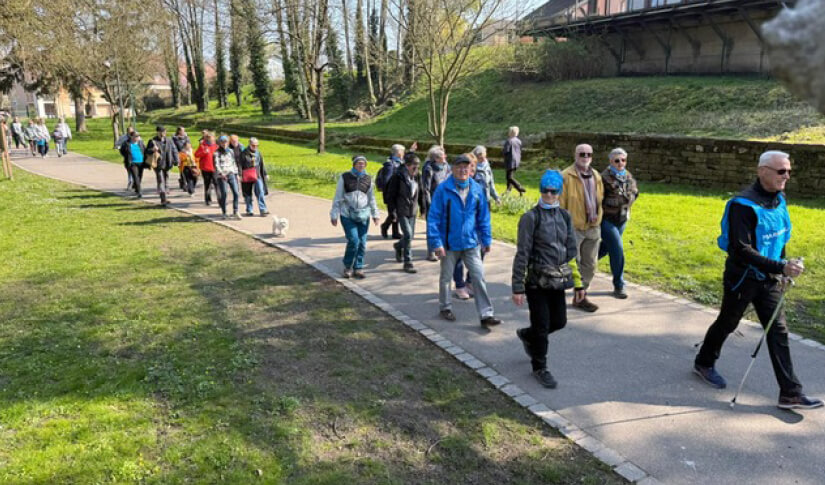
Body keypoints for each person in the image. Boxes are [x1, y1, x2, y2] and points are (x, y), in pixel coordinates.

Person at [694, 150, 823, 410]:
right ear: (762, 171)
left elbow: (779, 238)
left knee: (778, 332)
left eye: (788, 171)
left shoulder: (778, 199)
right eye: (780, 171)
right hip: (743, 278)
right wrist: (781, 267)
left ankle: (790, 393)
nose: (786, 176)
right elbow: (741, 248)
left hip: (770, 279)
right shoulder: (743, 205)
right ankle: (704, 362)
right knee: (728, 322)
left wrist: (783, 267)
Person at [512, 170, 577, 388]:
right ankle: (540, 366)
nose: (549, 195)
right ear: (540, 190)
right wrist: (518, 286)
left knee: (559, 321)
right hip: (536, 281)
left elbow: (572, 249)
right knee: (541, 325)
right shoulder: (530, 218)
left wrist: (579, 282)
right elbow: (522, 253)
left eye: (553, 191)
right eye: (545, 191)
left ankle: (528, 335)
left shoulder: (565, 216)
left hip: (557, 279)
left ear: (559, 192)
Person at [427, 153, 501, 327]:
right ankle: (445, 307)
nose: (463, 170)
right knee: (446, 278)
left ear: (470, 169)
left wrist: (486, 239)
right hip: (449, 244)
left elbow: (483, 217)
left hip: (471, 243)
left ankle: (486, 315)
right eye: (459, 167)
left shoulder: (476, 189)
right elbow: (433, 218)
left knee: (478, 276)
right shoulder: (443, 189)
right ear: (452, 169)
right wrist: (436, 243)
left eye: (466, 167)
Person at [560, 144, 603, 313]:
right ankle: (580, 296)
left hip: (593, 226)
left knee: (591, 264)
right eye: (581, 154)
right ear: (575, 154)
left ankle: (581, 291)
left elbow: (600, 198)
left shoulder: (596, 175)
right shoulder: (566, 176)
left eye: (588, 154)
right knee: (574, 264)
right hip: (574, 228)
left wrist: (598, 219)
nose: (585, 157)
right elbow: (561, 204)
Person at [598, 148, 639, 299]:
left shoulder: (628, 175)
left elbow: (635, 191)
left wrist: (631, 200)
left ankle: (583, 267)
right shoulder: (603, 177)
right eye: (617, 160)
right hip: (607, 220)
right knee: (617, 248)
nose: (620, 163)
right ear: (610, 162)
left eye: (623, 160)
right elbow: (597, 198)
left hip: (622, 219)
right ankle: (619, 285)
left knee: (607, 247)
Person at [330, 155, 380, 278]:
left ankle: (358, 267)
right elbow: (338, 196)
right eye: (359, 163)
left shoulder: (368, 179)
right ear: (354, 164)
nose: (361, 165)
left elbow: (371, 198)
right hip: (347, 214)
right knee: (354, 240)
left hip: (363, 215)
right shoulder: (345, 177)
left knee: (362, 242)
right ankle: (348, 266)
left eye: (363, 163)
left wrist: (375, 214)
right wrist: (334, 214)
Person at [386, 152, 423, 274]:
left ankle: (398, 246)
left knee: (410, 236)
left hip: (412, 211)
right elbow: (390, 196)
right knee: (407, 234)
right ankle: (408, 262)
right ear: (407, 165)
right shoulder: (398, 177)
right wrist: (393, 212)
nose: (416, 168)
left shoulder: (417, 176)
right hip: (401, 210)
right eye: (414, 165)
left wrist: (423, 208)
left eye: (418, 165)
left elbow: (421, 192)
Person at [421, 145, 450, 261]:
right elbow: (425, 189)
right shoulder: (429, 169)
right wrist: (429, 204)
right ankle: (431, 252)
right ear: (436, 159)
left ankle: (441, 248)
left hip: (446, 201)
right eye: (443, 156)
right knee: (432, 227)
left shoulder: (447, 166)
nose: (445, 157)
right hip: (433, 202)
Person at [146, 125, 179, 206]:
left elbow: (174, 150)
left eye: (164, 131)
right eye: (161, 132)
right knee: (161, 180)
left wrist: (176, 160)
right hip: (158, 164)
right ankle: (163, 199)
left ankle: (165, 196)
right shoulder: (153, 141)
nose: (163, 133)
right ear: (158, 132)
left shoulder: (169, 140)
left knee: (166, 180)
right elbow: (146, 151)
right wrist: (152, 150)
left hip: (168, 163)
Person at [378, 144, 405, 239]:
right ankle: (385, 226)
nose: (404, 153)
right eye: (403, 151)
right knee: (393, 213)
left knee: (396, 212)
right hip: (392, 193)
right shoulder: (390, 164)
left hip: (399, 192)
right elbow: (386, 180)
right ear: (399, 153)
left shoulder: (400, 162)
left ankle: (395, 232)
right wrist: (390, 193)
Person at [239, 137, 270, 217]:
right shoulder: (244, 153)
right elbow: (240, 165)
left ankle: (263, 209)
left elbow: (261, 164)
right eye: (253, 145)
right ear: (249, 144)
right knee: (248, 193)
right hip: (247, 175)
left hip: (257, 174)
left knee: (260, 191)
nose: (255, 147)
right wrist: (240, 175)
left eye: (257, 145)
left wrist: (265, 174)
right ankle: (249, 210)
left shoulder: (258, 153)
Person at [214, 135, 241, 219]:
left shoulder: (231, 151)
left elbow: (234, 163)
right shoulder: (216, 153)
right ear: (219, 143)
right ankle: (224, 212)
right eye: (222, 142)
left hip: (231, 174)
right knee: (224, 193)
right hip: (222, 176)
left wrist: (237, 174)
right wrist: (221, 174)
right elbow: (216, 165)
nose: (224, 144)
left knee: (236, 193)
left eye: (226, 142)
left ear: (228, 142)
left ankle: (235, 211)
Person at [119, 131, 146, 198]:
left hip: (141, 162)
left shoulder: (140, 143)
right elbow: (122, 151)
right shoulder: (126, 143)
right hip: (132, 163)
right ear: (131, 136)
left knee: (140, 176)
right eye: (135, 136)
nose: (137, 137)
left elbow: (145, 150)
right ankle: (139, 192)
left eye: (138, 136)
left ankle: (136, 188)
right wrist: (127, 157)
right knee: (135, 176)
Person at [195, 133, 219, 206]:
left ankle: (220, 199)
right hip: (205, 168)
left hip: (215, 168)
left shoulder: (216, 146)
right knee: (207, 184)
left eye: (212, 139)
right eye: (209, 139)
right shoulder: (203, 146)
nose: (211, 140)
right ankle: (208, 200)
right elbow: (196, 154)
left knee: (217, 184)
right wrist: (203, 152)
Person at [502, 126, 525, 195]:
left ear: (510, 133)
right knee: (510, 176)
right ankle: (508, 191)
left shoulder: (509, 141)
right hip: (517, 161)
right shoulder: (519, 141)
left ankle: (519, 187)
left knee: (509, 177)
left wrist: (503, 153)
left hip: (510, 161)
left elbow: (506, 151)